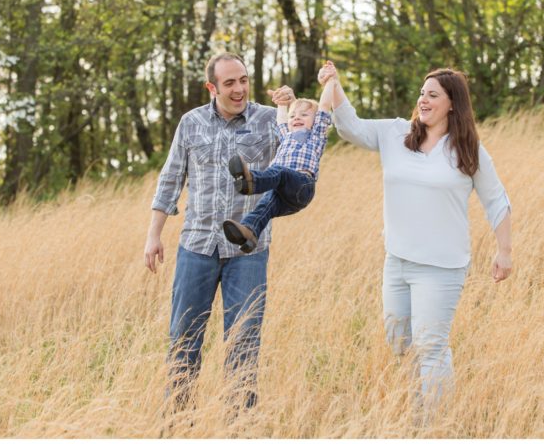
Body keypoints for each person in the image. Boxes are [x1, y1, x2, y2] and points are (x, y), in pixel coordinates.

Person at [317, 58, 512, 409]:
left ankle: (435, 424)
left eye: (433, 95)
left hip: (441, 266)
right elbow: (351, 128)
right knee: (400, 345)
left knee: (431, 346)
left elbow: (496, 200)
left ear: (452, 103)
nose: (423, 100)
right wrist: (333, 83)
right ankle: (412, 416)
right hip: (397, 261)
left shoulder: (468, 151)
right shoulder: (396, 134)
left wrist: (504, 251)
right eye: (422, 93)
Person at [143, 51, 296, 411]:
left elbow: (302, 144)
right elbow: (170, 179)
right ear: (212, 87)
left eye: (243, 80)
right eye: (230, 83)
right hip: (196, 247)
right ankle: (177, 425)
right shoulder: (191, 123)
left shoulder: (270, 120)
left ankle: (239, 427)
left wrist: (289, 108)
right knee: (184, 341)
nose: (239, 88)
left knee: (244, 344)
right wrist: (154, 235)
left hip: (248, 253)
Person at [222, 71, 339, 253]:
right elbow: (281, 120)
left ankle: (251, 181)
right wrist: (282, 105)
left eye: (304, 115)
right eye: (293, 116)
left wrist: (331, 81)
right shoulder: (286, 136)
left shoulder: (316, 134)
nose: (297, 118)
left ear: (316, 120)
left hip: (302, 184)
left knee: (279, 171)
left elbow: (324, 105)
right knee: (264, 205)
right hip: (285, 195)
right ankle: (249, 233)